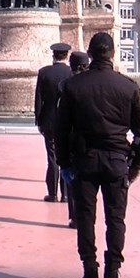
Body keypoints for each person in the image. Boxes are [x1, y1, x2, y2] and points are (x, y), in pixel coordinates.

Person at [55, 32, 140, 278]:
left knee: (86, 218)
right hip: (116, 161)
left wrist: (65, 164)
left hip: (84, 161)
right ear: (112, 53)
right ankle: (112, 276)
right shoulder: (128, 87)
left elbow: (61, 130)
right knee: (116, 219)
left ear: (90, 52)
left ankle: (90, 273)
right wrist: (136, 165)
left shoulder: (73, 87)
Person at [34, 43, 72, 203]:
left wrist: (39, 120)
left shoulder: (44, 72)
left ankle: (53, 194)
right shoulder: (72, 73)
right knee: (67, 158)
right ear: (67, 55)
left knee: (52, 158)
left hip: (49, 122)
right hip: (68, 122)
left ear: (53, 55)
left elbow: (39, 100)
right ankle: (65, 194)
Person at [59, 51, 90, 228]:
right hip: (93, 141)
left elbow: (61, 122)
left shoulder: (66, 86)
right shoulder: (95, 83)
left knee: (74, 182)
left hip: (73, 142)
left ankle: (76, 217)